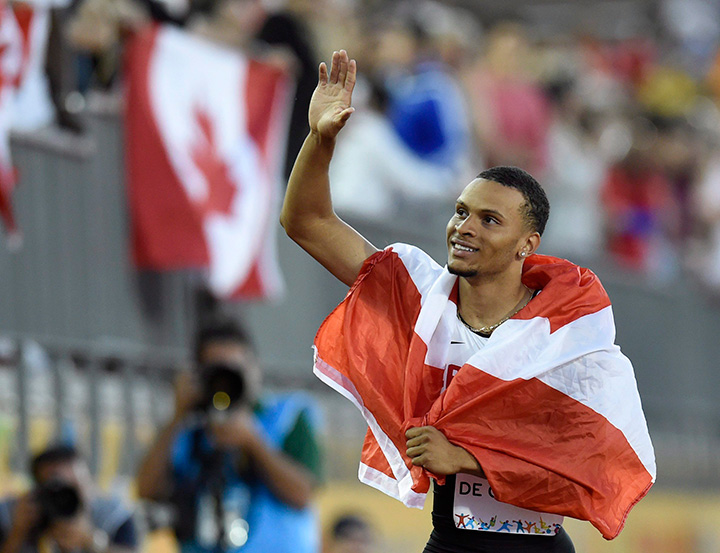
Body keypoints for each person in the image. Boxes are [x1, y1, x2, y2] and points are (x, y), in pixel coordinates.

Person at [280, 50, 656, 552]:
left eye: (490, 220)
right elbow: (307, 222)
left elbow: (593, 470)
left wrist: (469, 459)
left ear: (528, 244)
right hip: (451, 541)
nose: (464, 228)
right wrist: (320, 140)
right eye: (461, 211)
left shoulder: (570, 338)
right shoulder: (421, 297)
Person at [136, 317, 323, 553]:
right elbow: (147, 490)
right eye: (216, 371)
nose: (226, 380)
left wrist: (253, 442)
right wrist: (177, 416)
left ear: (255, 368)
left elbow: (302, 495)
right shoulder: (188, 430)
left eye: (235, 369)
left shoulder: (288, 417)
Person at [0, 444, 139, 553]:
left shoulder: (113, 515)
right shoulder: (15, 512)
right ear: (38, 490)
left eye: (74, 487)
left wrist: (91, 541)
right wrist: (17, 533)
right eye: (56, 488)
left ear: (89, 483)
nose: (65, 498)